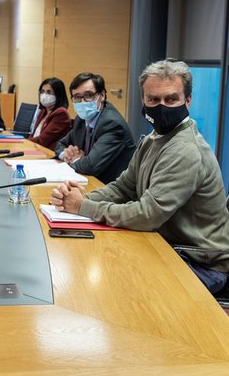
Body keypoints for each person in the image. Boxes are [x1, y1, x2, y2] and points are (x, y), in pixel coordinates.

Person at [51, 60, 229, 294]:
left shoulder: (185, 150)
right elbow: (123, 188)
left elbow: (147, 215)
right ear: (143, 101)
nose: (162, 106)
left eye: (171, 99)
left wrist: (83, 207)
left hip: (200, 262)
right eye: (153, 99)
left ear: (188, 101)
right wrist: (81, 198)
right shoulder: (153, 139)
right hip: (168, 246)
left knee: (117, 288)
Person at [53, 72, 135, 183]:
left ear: (102, 95)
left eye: (89, 95)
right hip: (86, 181)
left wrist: (76, 160)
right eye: (77, 97)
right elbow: (60, 145)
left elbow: (91, 166)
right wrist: (66, 155)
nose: (82, 102)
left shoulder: (113, 124)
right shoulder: (81, 120)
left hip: (109, 189)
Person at [27, 77, 72, 150]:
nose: (44, 95)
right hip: (35, 149)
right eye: (42, 91)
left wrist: (24, 142)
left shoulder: (61, 113)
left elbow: (43, 140)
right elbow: (33, 135)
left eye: (49, 92)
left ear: (58, 94)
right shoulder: (43, 111)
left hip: (48, 154)